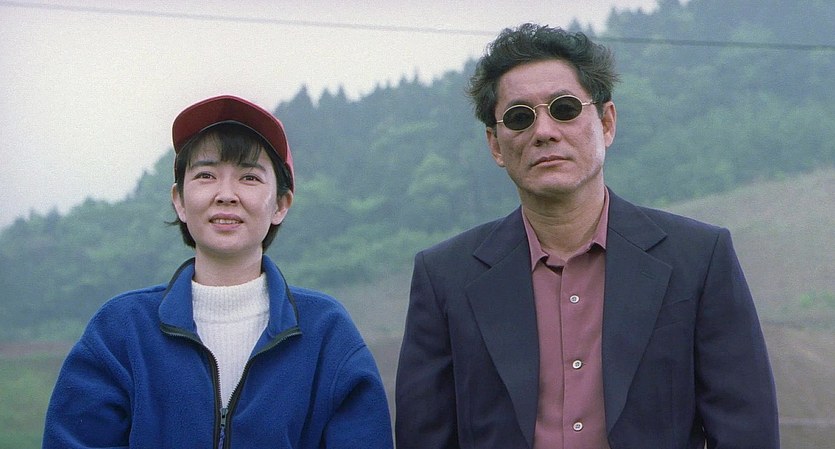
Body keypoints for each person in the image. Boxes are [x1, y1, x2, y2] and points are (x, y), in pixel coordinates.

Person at [395, 23, 779, 449]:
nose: (544, 131)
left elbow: (748, 432)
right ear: (496, 145)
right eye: (520, 117)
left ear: (607, 122)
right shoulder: (444, 277)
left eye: (564, 109)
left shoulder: (699, 259)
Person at [43, 95, 394, 448]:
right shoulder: (121, 331)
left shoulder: (327, 333)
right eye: (206, 175)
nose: (226, 195)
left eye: (249, 177)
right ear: (179, 200)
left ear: (281, 204)